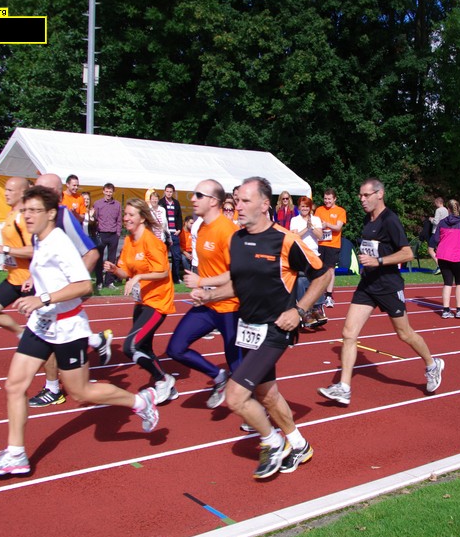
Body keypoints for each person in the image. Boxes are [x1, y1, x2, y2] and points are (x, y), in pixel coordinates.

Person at [0, 185, 159, 476]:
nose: (27, 216)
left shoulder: (59, 243)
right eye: (25, 210)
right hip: (41, 324)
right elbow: (49, 273)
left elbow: (84, 286)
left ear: (51, 214)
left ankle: (140, 401)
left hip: (67, 327)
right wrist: (35, 283)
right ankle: (16, 454)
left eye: (34, 211)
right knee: (15, 386)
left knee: (81, 392)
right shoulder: (39, 238)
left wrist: (43, 298)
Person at [190, 176, 331, 478]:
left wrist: (299, 310)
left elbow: (323, 274)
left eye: (245, 201)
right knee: (267, 394)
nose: (238, 206)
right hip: (248, 328)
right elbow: (240, 285)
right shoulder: (237, 240)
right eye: (237, 200)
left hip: (276, 328)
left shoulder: (285, 240)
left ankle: (272, 441)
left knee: (235, 396)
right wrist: (209, 296)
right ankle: (299, 444)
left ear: (265, 204)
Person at [318, 178, 445, 406]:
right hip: (368, 284)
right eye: (360, 195)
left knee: (404, 334)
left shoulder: (390, 220)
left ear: (380, 194)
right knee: (348, 333)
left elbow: (407, 253)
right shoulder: (367, 219)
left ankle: (432, 364)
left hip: (388, 285)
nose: (361, 199)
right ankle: (344, 388)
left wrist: (378, 261)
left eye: (366, 195)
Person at [25, 173, 111, 407]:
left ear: (56, 193)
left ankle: (138, 401)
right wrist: (33, 277)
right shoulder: (37, 218)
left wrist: (74, 284)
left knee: (80, 388)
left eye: (42, 190)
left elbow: (92, 253)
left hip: (61, 295)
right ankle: (94, 342)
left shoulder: (64, 217)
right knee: (44, 341)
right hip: (45, 297)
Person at [167, 180, 243, 410]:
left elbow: (237, 274)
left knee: (238, 367)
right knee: (175, 348)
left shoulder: (227, 230)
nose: (192, 199)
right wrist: (201, 288)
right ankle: (218, 376)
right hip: (208, 305)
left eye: (198, 195)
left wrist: (202, 283)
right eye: (193, 194)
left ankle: (258, 412)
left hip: (230, 306)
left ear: (213, 201)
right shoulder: (200, 227)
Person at [103, 198, 178, 403]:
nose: (126, 218)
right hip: (142, 301)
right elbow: (125, 271)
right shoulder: (129, 240)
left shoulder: (151, 241)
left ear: (142, 218)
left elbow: (163, 272)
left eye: (131, 215)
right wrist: (115, 270)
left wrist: (139, 277)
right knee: (144, 347)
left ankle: (163, 379)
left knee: (131, 347)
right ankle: (168, 388)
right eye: (125, 214)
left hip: (157, 301)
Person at [0, 176, 33, 338]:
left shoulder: (24, 217)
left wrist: (4, 249)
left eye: (10, 190)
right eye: (5, 189)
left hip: (29, 281)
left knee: (43, 330)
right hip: (13, 278)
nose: (5, 193)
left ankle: (91, 340)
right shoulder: (11, 214)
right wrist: (9, 261)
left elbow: (33, 250)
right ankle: (21, 334)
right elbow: (16, 245)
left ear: (22, 192)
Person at [289, 196, 328, 327]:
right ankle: (305, 311)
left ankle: (317, 308)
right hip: (301, 255)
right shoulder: (295, 220)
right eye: (302, 206)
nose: (304, 209)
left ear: (310, 208)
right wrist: (306, 228)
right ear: (299, 208)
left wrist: (312, 227)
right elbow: (294, 236)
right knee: (301, 281)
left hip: (314, 254)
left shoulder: (316, 219)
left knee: (317, 280)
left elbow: (320, 236)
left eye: (307, 206)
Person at [435, 199, 460, 319]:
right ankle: (459, 310)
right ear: (459, 208)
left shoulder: (442, 223)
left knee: (447, 283)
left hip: (443, 255)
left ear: (448, 209)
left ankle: (446, 310)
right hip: (457, 255)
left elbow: (436, 239)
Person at [315, 188, 347, 308]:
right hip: (320, 244)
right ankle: (317, 294)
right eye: (325, 199)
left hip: (333, 244)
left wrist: (327, 225)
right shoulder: (319, 210)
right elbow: (315, 225)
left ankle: (328, 296)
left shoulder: (340, 211)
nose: (327, 201)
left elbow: (338, 227)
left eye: (329, 199)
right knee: (318, 270)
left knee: (330, 270)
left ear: (334, 199)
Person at [94, 183, 122, 290]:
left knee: (111, 259)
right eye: (107, 191)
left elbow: (119, 221)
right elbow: (95, 219)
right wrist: (96, 233)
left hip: (113, 235)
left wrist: (118, 234)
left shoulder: (117, 204)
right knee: (99, 259)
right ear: (103, 191)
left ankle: (109, 282)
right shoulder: (98, 204)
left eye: (110, 192)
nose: (108, 194)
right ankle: (99, 282)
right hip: (101, 234)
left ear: (113, 192)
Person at [161, 184, 184, 284]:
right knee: (163, 256)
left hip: (174, 233)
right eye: (167, 191)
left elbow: (179, 217)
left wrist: (179, 229)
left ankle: (176, 278)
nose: (169, 193)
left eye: (170, 192)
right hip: (165, 233)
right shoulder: (161, 202)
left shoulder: (176, 203)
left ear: (173, 192)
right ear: (164, 191)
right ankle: (163, 278)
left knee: (176, 256)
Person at [427, 197, 449, 274]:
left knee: (430, 249)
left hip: (436, 232)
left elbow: (436, 222)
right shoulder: (446, 210)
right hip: (443, 232)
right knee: (441, 250)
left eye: (435, 203)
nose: (435, 205)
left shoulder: (438, 210)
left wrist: (431, 219)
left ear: (438, 202)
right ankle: (443, 266)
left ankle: (440, 265)